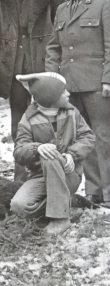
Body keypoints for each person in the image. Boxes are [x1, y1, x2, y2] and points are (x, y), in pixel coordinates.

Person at [0, 0, 65, 182]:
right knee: (18, 120)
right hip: (13, 64)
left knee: (45, 118)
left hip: (42, 62)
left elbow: (61, 22)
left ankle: (47, 173)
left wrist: (57, 60)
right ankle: (21, 175)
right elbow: (0, 26)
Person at [46, 0, 110, 207]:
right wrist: (53, 80)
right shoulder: (63, 9)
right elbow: (54, 47)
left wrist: (107, 79)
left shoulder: (103, 4)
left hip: (97, 85)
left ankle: (108, 193)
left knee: (104, 137)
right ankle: (94, 192)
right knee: (84, 139)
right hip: (70, 87)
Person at [11, 72, 95, 235]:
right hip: (40, 176)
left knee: (50, 155)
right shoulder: (28, 120)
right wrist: (37, 148)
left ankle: (60, 219)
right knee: (19, 206)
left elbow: (88, 137)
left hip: (69, 173)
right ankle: (66, 205)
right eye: (63, 91)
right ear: (51, 96)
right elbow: (19, 152)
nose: (68, 94)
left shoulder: (72, 112)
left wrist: (72, 154)